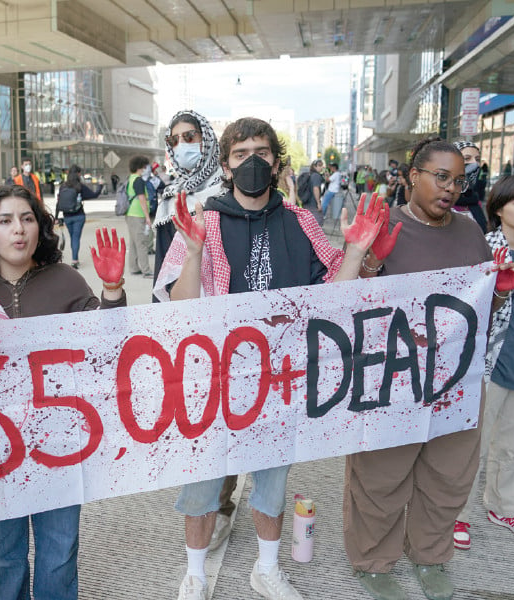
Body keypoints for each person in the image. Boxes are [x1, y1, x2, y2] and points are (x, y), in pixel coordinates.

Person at [155, 117, 390, 600]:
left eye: (262, 153)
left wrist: (355, 253)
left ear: (277, 162)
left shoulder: (301, 223)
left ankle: (266, 569)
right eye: (241, 155)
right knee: (201, 484)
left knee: (272, 482)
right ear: (225, 165)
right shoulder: (203, 220)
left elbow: (332, 300)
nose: (252, 163)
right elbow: (179, 306)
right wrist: (195, 251)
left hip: (279, 380)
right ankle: (195, 575)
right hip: (213, 379)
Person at [0, 184, 127, 600]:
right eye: (5, 221)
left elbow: (106, 349)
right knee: (3, 556)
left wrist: (111, 293)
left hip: (59, 446)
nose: (18, 230)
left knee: (59, 552)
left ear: (40, 227)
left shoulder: (66, 280)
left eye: (27, 218)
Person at [346, 137, 514, 600]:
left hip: (456, 380)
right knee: (381, 478)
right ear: (412, 177)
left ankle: (430, 555)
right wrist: (369, 261)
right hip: (393, 381)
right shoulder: (383, 224)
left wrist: (501, 291)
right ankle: (373, 561)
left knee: (447, 476)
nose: (450, 188)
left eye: (459, 179)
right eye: (440, 177)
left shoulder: (469, 232)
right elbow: (345, 306)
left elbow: (477, 313)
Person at [453, 174, 514, 550]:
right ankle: (458, 514)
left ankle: (504, 506)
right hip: (489, 362)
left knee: (513, 444)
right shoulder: (485, 248)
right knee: (475, 445)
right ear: (499, 208)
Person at [154, 110, 224, 289]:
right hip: (186, 297)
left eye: (189, 137)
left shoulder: (230, 189)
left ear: (206, 140)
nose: (181, 145)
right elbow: (164, 269)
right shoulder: (172, 199)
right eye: (174, 141)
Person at [53, 164, 102, 269]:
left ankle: (75, 258)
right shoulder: (79, 186)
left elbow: (58, 203)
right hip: (79, 216)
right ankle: (75, 260)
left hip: (67, 217)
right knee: (76, 238)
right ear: (78, 174)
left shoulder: (63, 186)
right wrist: (100, 186)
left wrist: (56, 217)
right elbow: (94, 195)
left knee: (72, 238)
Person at [124, 155, 154, 278]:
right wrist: (147, 217)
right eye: (145, 166)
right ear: (141, 167)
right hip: (138, 214)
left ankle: (134, 268)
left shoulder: (130, 178)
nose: (146, 168)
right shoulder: (139, 180)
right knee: (141, 243)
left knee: (133, 243)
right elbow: (142, 198)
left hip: (130, 214)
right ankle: (146, 270)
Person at [453, 140, 488, 232]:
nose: (475, 164)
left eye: (477, 159)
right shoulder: (440, 203)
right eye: (467, 158)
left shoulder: (474, 201)